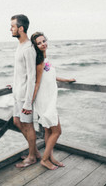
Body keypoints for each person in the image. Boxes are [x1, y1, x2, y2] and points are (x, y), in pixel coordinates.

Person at [30, 32, 76, 170]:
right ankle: (44, 159)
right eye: (39, 43)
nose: (43, 43)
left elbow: (50, 77)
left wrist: (66, 80)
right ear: (35, 46)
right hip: (44, 101)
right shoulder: (39, 61)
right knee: (57, 131)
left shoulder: (45, 58)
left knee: (49, 131)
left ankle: (50, 157)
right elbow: (36, 83)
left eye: (44, 41)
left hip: (50, 98)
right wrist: (29, 103)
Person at [10, 14, 40, 168]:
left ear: (21, 28)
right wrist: (14, 83)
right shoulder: (20, 46)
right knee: (17, 122)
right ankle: (34, 151)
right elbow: (20, 71)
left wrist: (28, 103)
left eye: (13, 26)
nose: (10, 29)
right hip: (17, 92)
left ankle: (32, 157)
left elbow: (32, 77)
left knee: (28, 126)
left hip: (24, 97)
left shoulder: (29, 48)